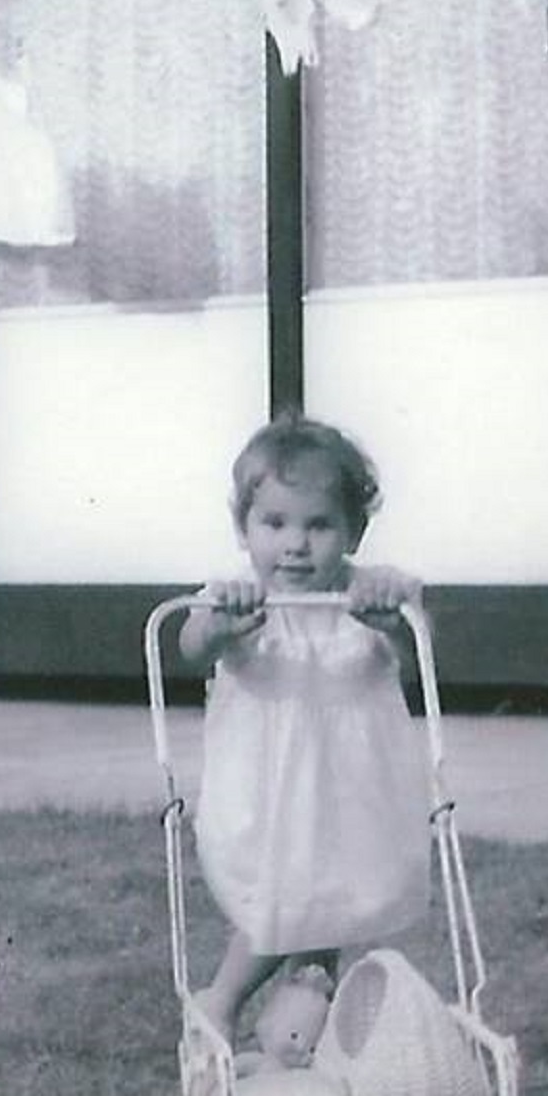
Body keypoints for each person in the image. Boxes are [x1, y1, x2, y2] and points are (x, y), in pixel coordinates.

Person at [179, 414, 430, 1046]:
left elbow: (417, 652)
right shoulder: (240, 600)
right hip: (270, 788)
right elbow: (190, 645)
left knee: (337, 896)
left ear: (353, 531)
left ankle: (296, 1037)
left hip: (350, 789)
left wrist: (392, 615)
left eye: (318, 526)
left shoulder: (370, 598)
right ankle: (226, 998)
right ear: (245, 529)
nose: (295, 545)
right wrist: (217, 625)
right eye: (275, 524)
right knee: (287, 896)